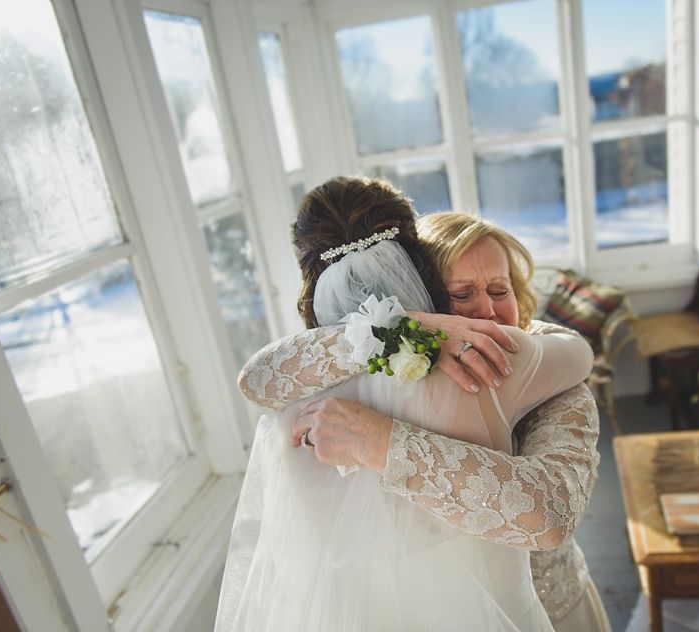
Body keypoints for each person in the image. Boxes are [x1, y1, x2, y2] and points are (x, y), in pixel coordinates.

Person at [216, 177, 593, 631]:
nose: (487, 313)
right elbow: (256, 379)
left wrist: (377, 440)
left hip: (556, 608)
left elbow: (550, 515)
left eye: (500, 289)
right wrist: (401, 326)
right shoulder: (331, 373)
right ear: (424, 290)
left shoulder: (550, 376)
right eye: (460, 295)